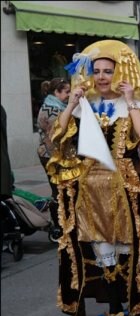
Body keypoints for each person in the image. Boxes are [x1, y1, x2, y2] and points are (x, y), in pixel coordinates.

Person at [48, 40, 140, 316]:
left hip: (125, 185)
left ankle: (134, 301)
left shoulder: (132, 105)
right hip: (91, 186)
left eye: (108, 71)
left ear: (118, 74)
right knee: (100, 247)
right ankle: (114, 306)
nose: (102, 77)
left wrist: (131, 100)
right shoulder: (86, 105)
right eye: (97, 71)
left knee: (130, 246)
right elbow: (57, 136)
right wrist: (71, 102)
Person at [36, 77, 70, 238]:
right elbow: (56, 136)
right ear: (56, 92)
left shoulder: (56, 106)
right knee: (59, 190)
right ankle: (59, 226)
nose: (69, 95)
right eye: (66, 92)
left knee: (60, 189)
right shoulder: (54, 109)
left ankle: (60, 223)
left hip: (52, 155)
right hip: (53, 157)